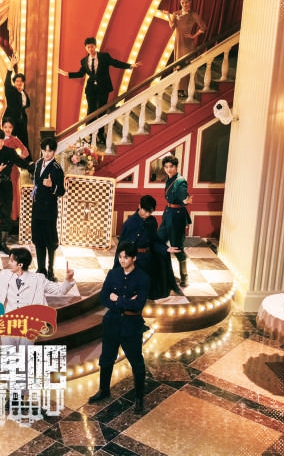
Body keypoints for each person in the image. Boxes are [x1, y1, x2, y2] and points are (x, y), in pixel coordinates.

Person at [0, 248, 74, 344]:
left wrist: (68, 279)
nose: (8, 263)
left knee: (25, 356)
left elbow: (59, 291)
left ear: (20, 264)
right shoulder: (3, 275)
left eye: (11, 260)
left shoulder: (38, 279)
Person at [89, 241, 150, 413]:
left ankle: (139, 398)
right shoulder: (113, 273)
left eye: (126, 257)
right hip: (112, 323)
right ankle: (104, 390)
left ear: (134, 258)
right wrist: (125, 302)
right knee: (106, 359)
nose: (122, 260)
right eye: (120, 257)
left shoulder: (143, 278)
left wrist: (118, 299)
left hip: (132, 326)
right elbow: (103, 297)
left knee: (136, 362)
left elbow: (138, 305)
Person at [60, 37, 139, 143]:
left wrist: (130, 66)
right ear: (85, 48)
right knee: (91, 111)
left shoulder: (104, 56)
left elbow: (115, 63)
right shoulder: (84, 61)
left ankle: (101, 135)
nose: (90, 49)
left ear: (95, 46)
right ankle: (89, 134)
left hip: (103, 87)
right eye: (88, 47)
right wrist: (67, 74)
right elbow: (81, 74)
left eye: (92, 46)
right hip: (91, 89)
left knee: (102, 111)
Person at [0, 129, 34, 255]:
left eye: (2, 141)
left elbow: (21, 163)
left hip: (6, 187)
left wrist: (33, 166)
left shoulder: (10, 152)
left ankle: (3, 244)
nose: (0, 144)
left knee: (5, 215)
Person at [115, 195, 180, 299]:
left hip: (148, 258)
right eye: (145, 211)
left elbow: (154, 240)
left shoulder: (152, 221)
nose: (147, 214)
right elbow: (123, 246)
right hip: (135, 260)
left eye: (150, 212)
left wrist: (166, 248)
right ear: (139, 206)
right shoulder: (130, 223)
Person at [31, 137, 65, 280]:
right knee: (38, 239)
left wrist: (52, 186)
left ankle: (50, 270)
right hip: (37, 208)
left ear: (54, 152)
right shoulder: (38, 163)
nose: (46, 154)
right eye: (44, 151)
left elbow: (61, 191)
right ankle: (41, 269)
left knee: (50, 241)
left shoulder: (57, 168)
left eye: (49, 151)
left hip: (49, 210)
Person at [158, 155, 192, 287]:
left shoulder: (180, 181)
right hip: (168, 214)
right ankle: (163, 273)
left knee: (177, 247)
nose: (168, 169)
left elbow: (183, 198)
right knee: (158, 241)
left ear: (176, 166)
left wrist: (185, 201)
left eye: (171, 166)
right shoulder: (169, 179)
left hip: (177, 217)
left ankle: (184, 276)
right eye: (166, 167)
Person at [169, 0, 207, 98]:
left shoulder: (193, 15)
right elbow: (172, 27)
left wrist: (193, 36)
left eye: (186, 2)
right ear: (180, 3)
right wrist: (168, 16)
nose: (184, 4)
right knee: (178, 65)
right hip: (178, 43)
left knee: (186, 64)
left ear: (190, 2)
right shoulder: (176, 13)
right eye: (182, 3)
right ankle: (179, 89)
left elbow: (203, 27)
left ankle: (188, 87)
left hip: (188, 44)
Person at [1, 117, 30, 221]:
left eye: (10, 127)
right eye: (5, 127)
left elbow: (25, 151)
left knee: (12, 191)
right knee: (2, 192)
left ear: (12, 128)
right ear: (2, 128)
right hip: (1, 169)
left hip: (13, 170)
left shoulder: (14, 139)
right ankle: (2, 216)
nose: (7, 129)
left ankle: (13, 215)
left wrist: (19, 158)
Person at [3, 54, 31, 151]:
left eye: (21, 81)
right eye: (17, 81)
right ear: (14, 82)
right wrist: (11, 67)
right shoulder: (11, 91)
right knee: (9, 144)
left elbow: (26, 105)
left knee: (24, 144)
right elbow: (7, 83)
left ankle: (27, 160)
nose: (19, 83)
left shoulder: (23, 92)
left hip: (21, 121)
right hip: (11, 120)